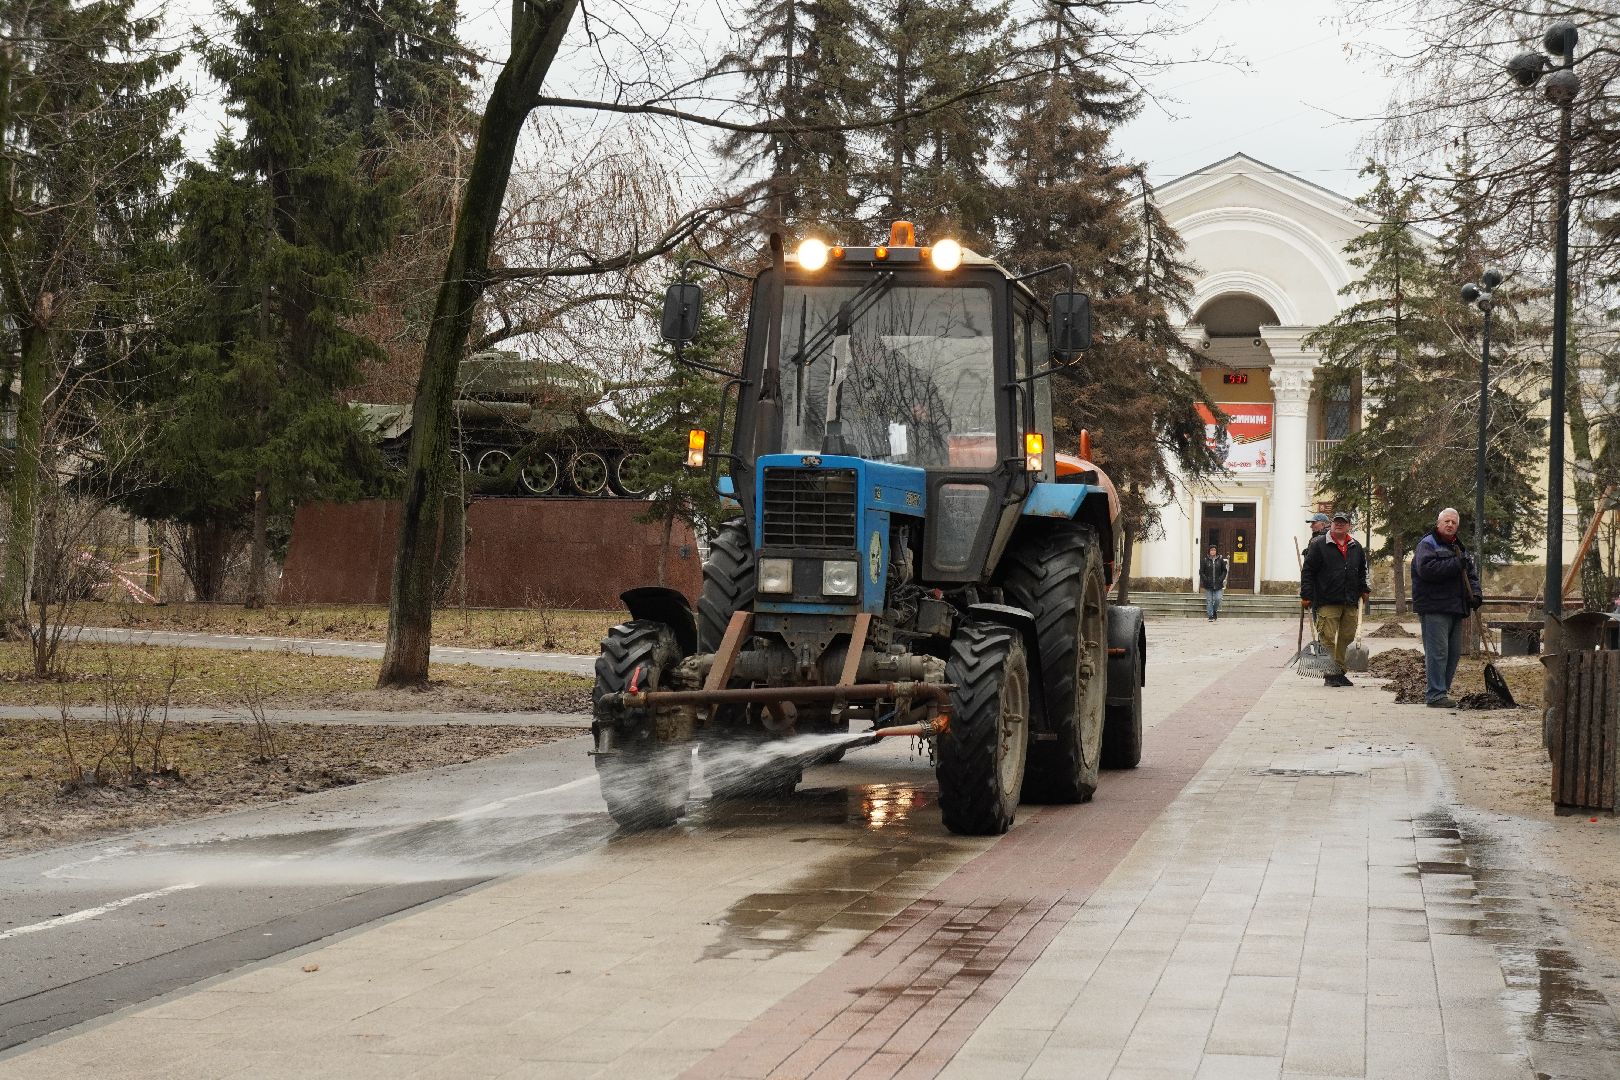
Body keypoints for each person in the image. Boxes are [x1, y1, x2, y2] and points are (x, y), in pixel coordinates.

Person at [1411, 507, 1483, 709]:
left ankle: (1443, 690)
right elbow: (1426, 570)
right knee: (1438, 652)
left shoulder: (1459, 548)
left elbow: (1471, 575)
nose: (1450, 525)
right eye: (1446, 521)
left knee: (1453, 653)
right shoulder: (1427, 544)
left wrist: (1476, 594)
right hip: (1434, 606)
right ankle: (1435, 694)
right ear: (1438, 523)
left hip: (1456, 607)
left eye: (1453, 522)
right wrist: (1455, 564)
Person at [1300, 510, 1371, 687]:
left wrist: (1364, 589)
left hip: (1350, 600)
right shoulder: (1319, 545)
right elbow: (1308, 571)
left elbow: (1362, 571)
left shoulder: (1356, 546)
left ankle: (1338, 671)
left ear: (1349, 526)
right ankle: (1330, 673)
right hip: (1326, 599)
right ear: (1331, 524)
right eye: (1336, 522)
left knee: (1347, 636)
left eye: (1343, 522)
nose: (1339, 524)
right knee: (1327, 637)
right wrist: (1306, 595)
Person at [1199, 544, 1228, 621]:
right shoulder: (1205, 560)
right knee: (1209, 600)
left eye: (1214, 550)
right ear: (1209, 551)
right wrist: (1205, 579)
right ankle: (1210, 615)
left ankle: (1214, 611)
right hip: (1208, 584)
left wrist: (1221, 579)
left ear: (1216, 551)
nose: (1213, 551)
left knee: (1218, 599)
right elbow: (1201, 572)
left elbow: (1224, 571)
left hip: (1218, 583)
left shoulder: (1220, 559)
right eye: (1211, 550)